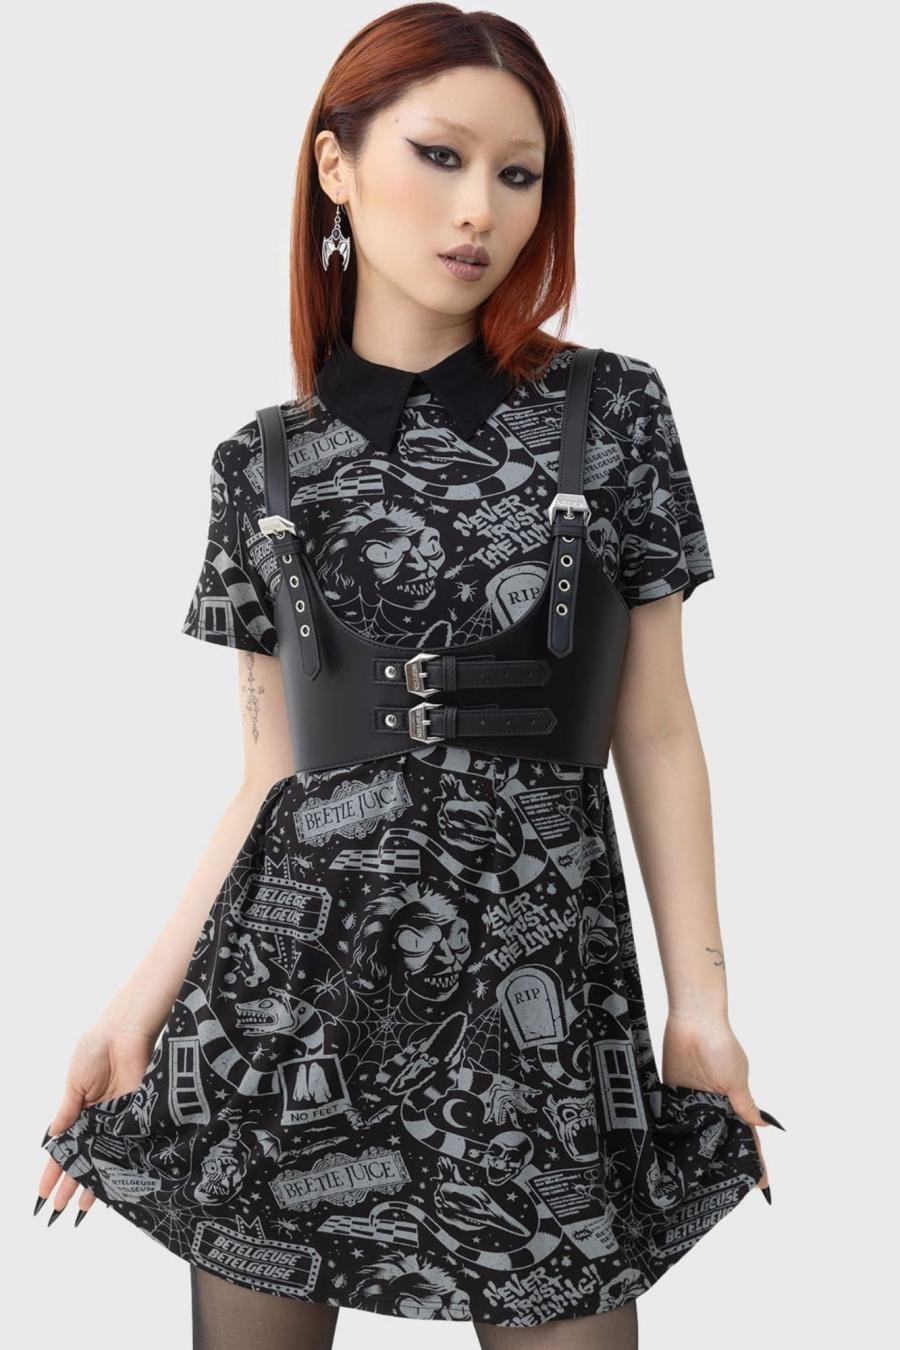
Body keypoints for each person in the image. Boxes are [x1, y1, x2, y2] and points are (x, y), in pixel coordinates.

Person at [35, 5, 784, 1347]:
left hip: (537, 1001)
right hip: (286, 1008)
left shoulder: (610, 412)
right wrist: (131, 1012)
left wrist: (705, 1002)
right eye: (440, 156)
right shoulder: (259, 466)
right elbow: (268, 778)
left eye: (518, 173)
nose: (480, 209)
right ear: (336, 166)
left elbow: (661, 732)